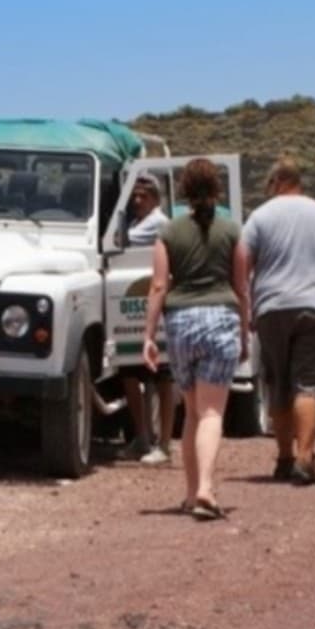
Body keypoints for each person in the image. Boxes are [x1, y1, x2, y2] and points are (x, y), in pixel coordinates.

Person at [143, 158, 248, 521]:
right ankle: (204, 488)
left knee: (192, 413)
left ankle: (190, 493)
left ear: (184, 191)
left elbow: (158, 285)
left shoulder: (169, 232)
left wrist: (148, 335)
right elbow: (241, 287)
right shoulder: (232, 230)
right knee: (212, 412)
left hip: (181, 322)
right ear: (217, 189)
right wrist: (246, 330)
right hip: (220, 320)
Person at [238, 156, 315, 485]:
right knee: (310, 382)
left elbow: (242, 265)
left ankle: (284, 457)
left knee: (279, 382)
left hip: (271, 307)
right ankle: (305, 457)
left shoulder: (259, 217)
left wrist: (247, 308)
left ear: (278, 182)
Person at [121, 174, 175, 466]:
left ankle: (164, 442)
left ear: (155, 197)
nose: (138, 201)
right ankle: (142, 436)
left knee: (164, 377)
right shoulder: (134, 222)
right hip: (134, 302)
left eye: (143, 196)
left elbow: (124, 242)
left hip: (154, 300)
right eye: (135, 196)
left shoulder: (157, 222)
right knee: (130, 374)